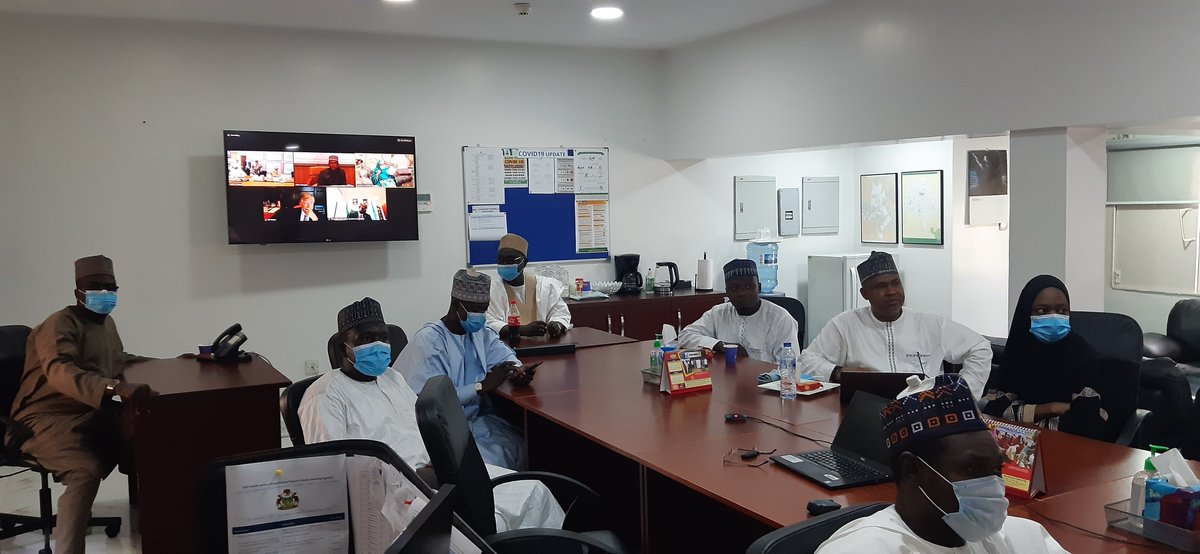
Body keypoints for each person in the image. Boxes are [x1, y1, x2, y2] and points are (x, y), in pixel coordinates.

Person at [299, 297, 565, 531]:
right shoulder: (325, 395)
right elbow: (333, 476)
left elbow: (421, 429)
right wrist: (412, 475)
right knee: (489, 519)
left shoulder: (392, 378)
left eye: (382, 338)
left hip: (439, 472)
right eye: (365, 339)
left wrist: (443, 462)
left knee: (533, 490)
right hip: (395, 494)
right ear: (343, 347)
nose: (377, 345)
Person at [816, 374, 1068, 553]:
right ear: (912, 469)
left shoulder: (1019, 538)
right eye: (972, 469)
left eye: (997, 469)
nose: (994, 486)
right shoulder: (864, 548)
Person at [9, 255, 155, 554]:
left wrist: (174, 363)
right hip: (46, 416)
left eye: (110, 287)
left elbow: (117, 359)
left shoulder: (105, 323)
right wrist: (114, 386)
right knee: (84, 472)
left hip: (90, 408)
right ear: (78, 291)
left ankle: (161, 525)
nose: (104, 293)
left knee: (150, 433)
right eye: (95, 287)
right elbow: (60, 370)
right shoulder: (59, 324)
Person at [799, 251, 991, 398]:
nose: (891, 292)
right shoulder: (845, 324)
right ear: (864, 293)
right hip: (865, 407)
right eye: (881, 287)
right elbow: (806, 361)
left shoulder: (931, 323)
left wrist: (964, 394)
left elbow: (980, 347)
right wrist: (838, 372)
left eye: (895, 283)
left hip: (924, 409)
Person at [396, 269, 533, 469]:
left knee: (524, 446)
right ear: (455, 304)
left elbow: (505, 357)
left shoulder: (480, 333)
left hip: (475, 421)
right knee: (487, 467)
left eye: (484, 309)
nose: (480, 316)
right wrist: (481, 386)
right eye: (474, 309)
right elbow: (430, 401)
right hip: (441, 427)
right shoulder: (429, 342)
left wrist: (518, 371)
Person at [981, 275, 1133, 442]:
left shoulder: (1084, 358)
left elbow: (1086, 425)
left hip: (1072, 449)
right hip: (1019, 448)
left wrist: (1024, 415)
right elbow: (993, 410)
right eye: (1042, 311)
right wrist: (1050, 408)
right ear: (1025, 314)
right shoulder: (1018, 353)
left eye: (1062, 311)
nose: (1053, 317)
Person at [678, 259, 798, 362]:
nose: (742, 293)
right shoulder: (718, 313)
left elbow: (790, 366)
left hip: (766, 385)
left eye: (748, 286)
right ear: (727, 291)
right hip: (726, 382)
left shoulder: (781, 319)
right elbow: (685, 336)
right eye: (734, 288)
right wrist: (720, 345)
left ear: (759, 287)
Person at [485, 234, 572, 338]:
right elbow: (488, 322)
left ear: (524, 262)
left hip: (544, 344)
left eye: (510, 260)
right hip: (507, 346)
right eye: (500, 260)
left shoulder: (545, 286)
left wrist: (557, 324)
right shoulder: (491, 290)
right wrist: (521, 330)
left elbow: (560, 313)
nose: (504, 264)